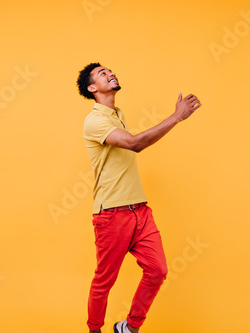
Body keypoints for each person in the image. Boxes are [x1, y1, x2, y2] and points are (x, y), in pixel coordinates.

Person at [77, 62, 201, 333]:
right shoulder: (95, 120)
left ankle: (129, 328)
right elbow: (135, 144)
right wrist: (176, 117)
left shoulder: (116, 114)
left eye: (110, 70)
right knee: (104, 282)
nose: (110, 73)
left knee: (158, 271)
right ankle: (94, 330)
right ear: (92, 88)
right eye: (102, 73)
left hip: (140, 211)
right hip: (111, 214)